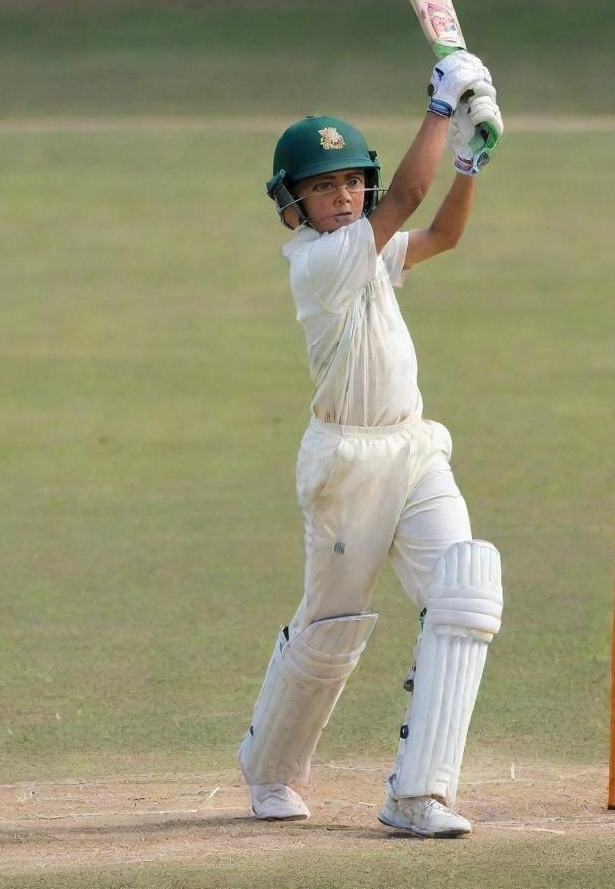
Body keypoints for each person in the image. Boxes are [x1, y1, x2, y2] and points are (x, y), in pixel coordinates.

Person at [238, 50, 505, 838]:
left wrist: (469, 156)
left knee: (466, 590)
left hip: (415, 449)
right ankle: (271, 770)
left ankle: (418, 795)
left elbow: (444, 231)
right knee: (333, 625)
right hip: (346, 463)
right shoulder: (321, 264)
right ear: (295, 204)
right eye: (324, 186)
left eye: (353, 179)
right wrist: (441, 100)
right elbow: (407, 195)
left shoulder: (372, 242)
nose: (344, 194)